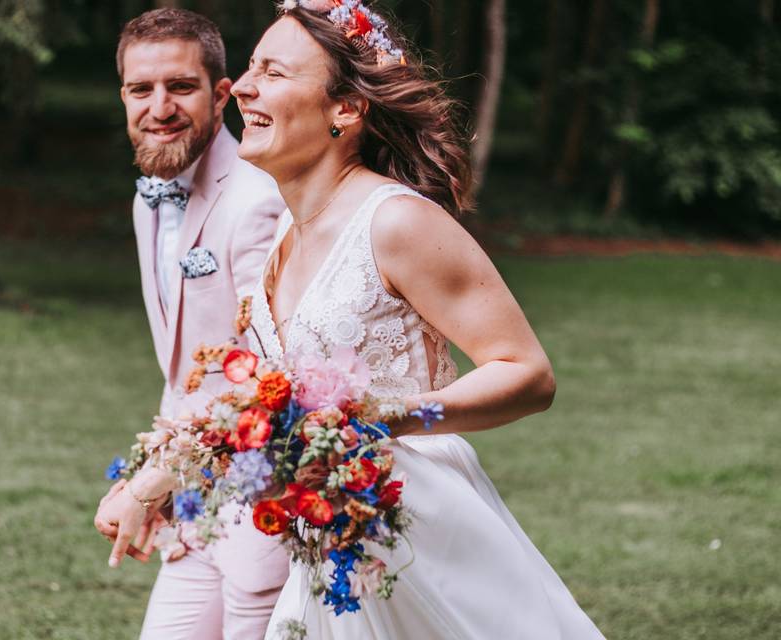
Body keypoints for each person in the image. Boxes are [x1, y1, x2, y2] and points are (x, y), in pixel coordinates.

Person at [229, 1, 608, 638]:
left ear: (345, 109)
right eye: (249, 68)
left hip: (421, 534)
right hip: (333, 545)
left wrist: (400, 415)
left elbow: (528, 373)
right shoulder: (281, 243)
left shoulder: (396, 222)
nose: (242, 87)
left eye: (273, 72)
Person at [93, 9, 289, 640]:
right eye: (140, 90)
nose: (159, 107)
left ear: (222, 94)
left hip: (268, 506)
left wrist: (150, 485)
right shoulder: (147, 197)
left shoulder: (257, 199)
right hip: (195, 503)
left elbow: (273, 377)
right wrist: (157, 481)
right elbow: (186, 371)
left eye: (180, 87)